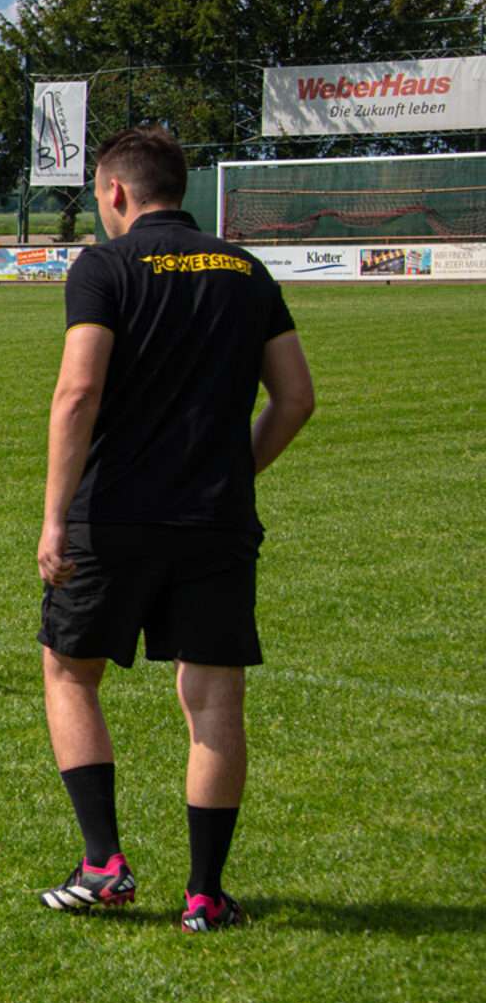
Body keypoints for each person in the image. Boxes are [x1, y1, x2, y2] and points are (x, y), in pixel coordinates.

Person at [34, 126, 314, 931]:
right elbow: (296, 398)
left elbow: (77, 392)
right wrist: (232, 474)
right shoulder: (245, 269)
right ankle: (204, 894)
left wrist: (54, 518)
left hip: (112, 517)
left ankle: (103, 863)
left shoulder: (105, 266)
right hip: (216, 521)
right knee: (215, 698)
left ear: (115, 191)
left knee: (70, 672)